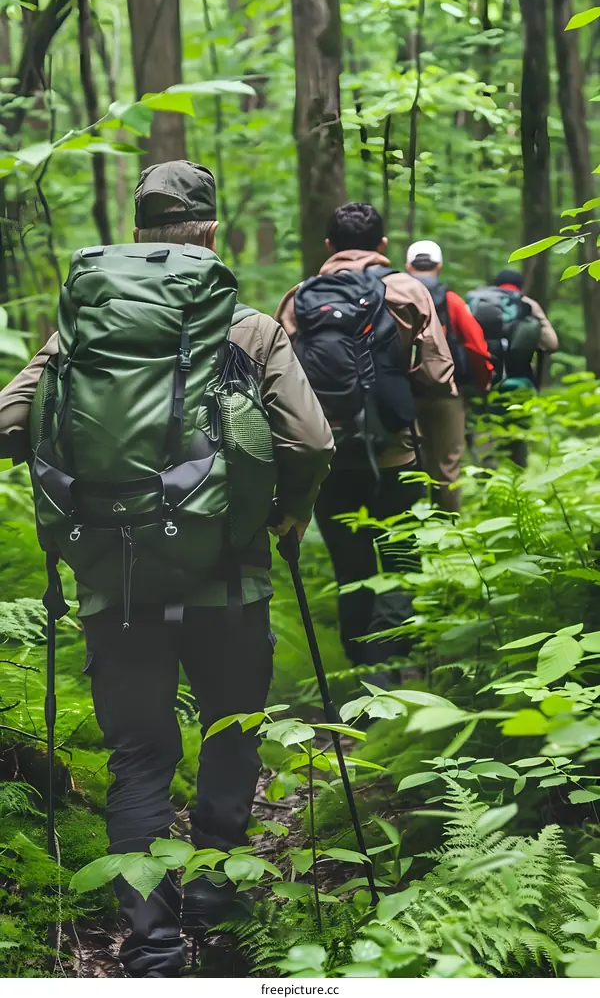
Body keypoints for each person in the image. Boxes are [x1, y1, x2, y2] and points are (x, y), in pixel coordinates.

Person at [0, 161, 334, 978]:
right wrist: (288, 509)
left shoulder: (78, 331)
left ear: (138, 228)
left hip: (115, 579)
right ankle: (219, 904)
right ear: (212, 231)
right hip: (230, 575)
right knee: (229, 730)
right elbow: (312, 440)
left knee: (140, 755)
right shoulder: (249, 328)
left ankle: (149, 941)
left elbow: (11, 421)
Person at [275, 202, 456, 671]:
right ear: (382, 246)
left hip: (331, 460)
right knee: (401, 559)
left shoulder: (300, 297)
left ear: (328, 246)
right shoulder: (408, 289)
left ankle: (362, 669)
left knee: (351, 569)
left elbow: (282, 385)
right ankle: (399, 665)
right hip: (397, 454)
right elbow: (438, 376)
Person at [405, 240, 493, 512]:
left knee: (409, 463)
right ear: (439, 266)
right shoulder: (452, 300)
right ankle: (447, 528)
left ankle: (411, 525)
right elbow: (476, 345)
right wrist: (482, 383)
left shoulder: (392, 296)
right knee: (447, 464)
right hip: (447, 393)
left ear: (408, 266)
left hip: (405, 394)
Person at [468, 268, 559, 467]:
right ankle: (516, 482)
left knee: (484, 435)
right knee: (517, 440)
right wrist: (538, 315)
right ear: (520, 286)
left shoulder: (477, 304)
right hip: (519, 384)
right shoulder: (525, 305)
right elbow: (551, 344)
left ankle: (486, 482)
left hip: (483, 382)